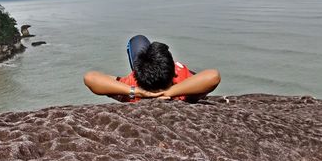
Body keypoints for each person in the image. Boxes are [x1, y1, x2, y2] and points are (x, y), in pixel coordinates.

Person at [83, 35, 220, 102]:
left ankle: (149, 60)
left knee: (138, 40)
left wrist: (138, 92)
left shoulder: (131, 86)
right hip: (176, 79)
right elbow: (213, 77)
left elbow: (90, 78)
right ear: (174, 74)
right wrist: (169, 92)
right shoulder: (185, 87)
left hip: (146, 81)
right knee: (145, 46)